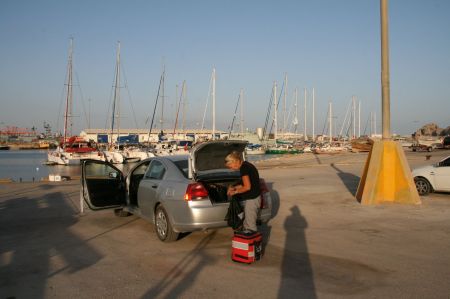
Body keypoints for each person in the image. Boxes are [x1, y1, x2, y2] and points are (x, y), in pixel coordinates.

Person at [225, 151, 261, 233]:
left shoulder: (244, 168)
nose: (231, 169)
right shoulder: (247, 165)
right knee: (247, 223)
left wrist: (235, 192)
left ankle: (252, 243)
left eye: (230, 167)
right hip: (253, 198)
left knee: (250, 226)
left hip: (252, 199)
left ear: (235, 161)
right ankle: (247, 242)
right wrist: (233, 187)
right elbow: (243, 184)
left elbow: (247, 187)